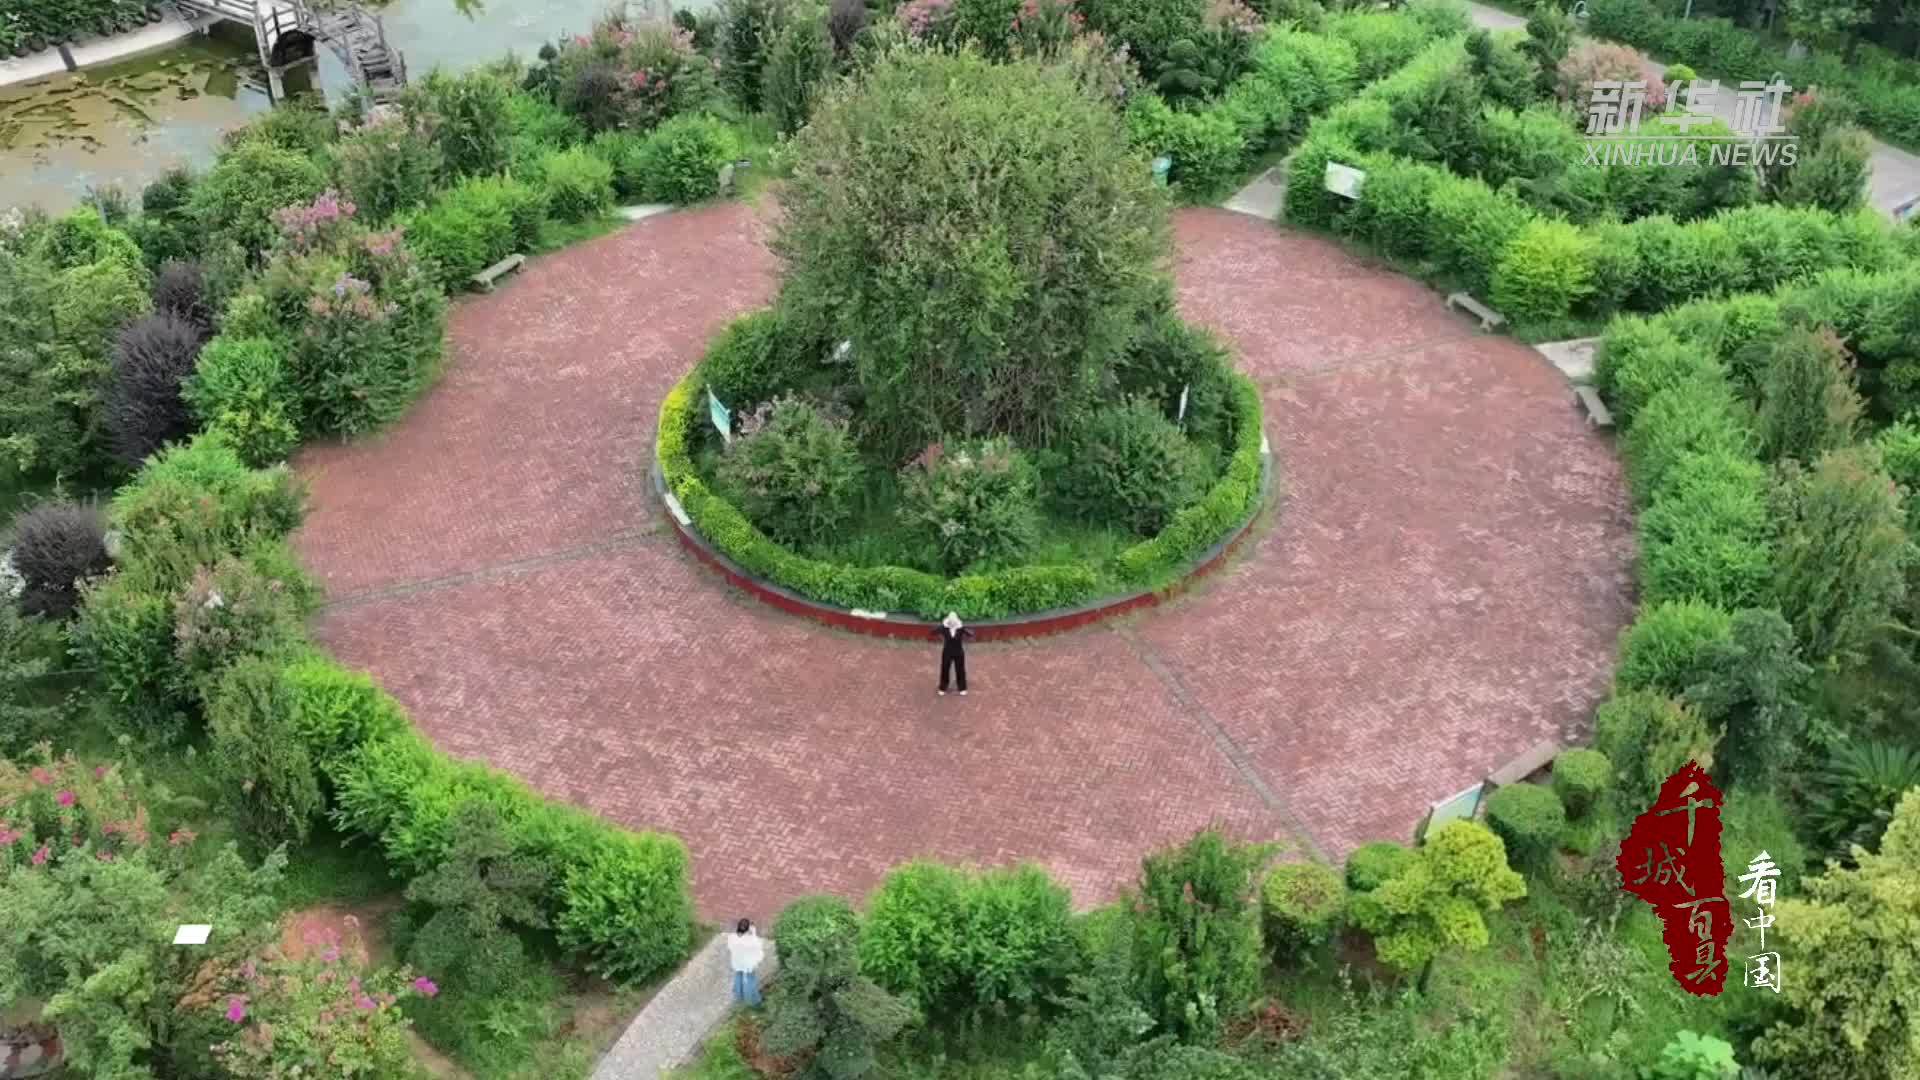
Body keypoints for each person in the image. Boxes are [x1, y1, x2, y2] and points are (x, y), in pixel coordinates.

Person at [728, 917, 764, 1006]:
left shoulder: (732, 938)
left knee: (738, 976)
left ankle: (738, 995)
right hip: (748, 964)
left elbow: (731, 946)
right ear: (748, 929)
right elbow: (758, 946)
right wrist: (753, 932)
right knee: (749, 981)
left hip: (737, 961)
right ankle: (753, 1000)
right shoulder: (751, 941)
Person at [936, 611, 974, 696]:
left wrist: (967, 632)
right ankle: (943, 687)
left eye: (954, 621)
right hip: (947, 652)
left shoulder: (961, 628)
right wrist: (939, 630)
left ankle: (962, 688)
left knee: (960, 670)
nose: (952, 623)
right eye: (951, 621)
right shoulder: (944, 628)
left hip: (958, 652)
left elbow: (971, 633)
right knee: (945, 669)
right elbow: (934, 632)